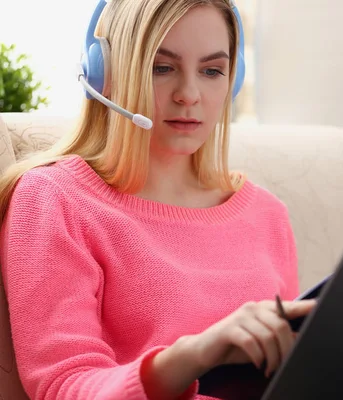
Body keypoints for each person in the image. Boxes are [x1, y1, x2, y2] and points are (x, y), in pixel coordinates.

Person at [0, 0, 317, 399]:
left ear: (233, 81)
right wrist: (196, 353)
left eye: (212, 71)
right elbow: (65, 385)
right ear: (107, 75)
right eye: (162, 67)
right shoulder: (54, 199)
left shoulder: (266, 213)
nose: (189, 94)